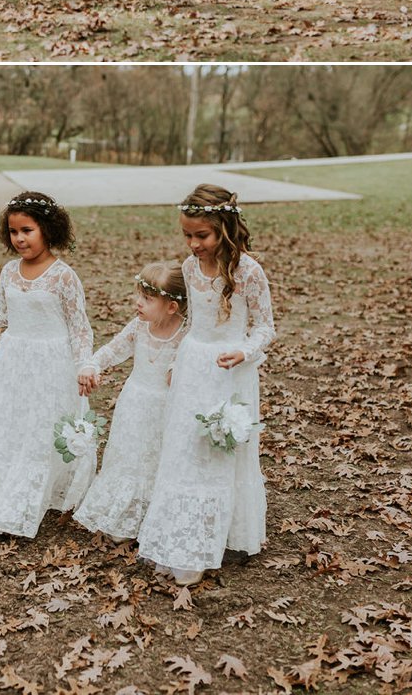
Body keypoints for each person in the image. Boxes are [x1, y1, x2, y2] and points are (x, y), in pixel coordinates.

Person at [137, 184, 276, 587]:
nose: (194, 244)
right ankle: (183, 535)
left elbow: (266, 327)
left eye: (202, 235)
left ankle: (214, 537)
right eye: (187, 235)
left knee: (218, 451)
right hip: (195, 364)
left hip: (230, 369)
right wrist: (175, 362)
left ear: (225, 229)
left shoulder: (248, 271)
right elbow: (190, 322)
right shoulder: (189, 267)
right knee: (186, 446)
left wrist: (245, 352)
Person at [0, 190, 98, 538]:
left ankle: (20, 507)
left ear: (47, 229)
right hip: (13, 363)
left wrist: (85, 365)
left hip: (52, 365)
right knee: (3, 430)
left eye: (27, 230)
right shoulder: (10, 272)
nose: (20, 239)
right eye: (14, 232)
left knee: (37, 433)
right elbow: (0, 314)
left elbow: (80, 329)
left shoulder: (63, 277)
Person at [73, 260, 187, 542]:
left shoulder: (185, 334)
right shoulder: (138, 326)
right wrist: (91, 365)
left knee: (157, 458)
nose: (138, 303)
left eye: (147, 299)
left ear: (171, 306)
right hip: (134, 402)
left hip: (166, 407)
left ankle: (154, 514)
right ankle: (123, 515)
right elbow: (112, 350)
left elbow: (186, 369)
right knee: (130, 456)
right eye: (139, 295)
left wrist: (179, 369)